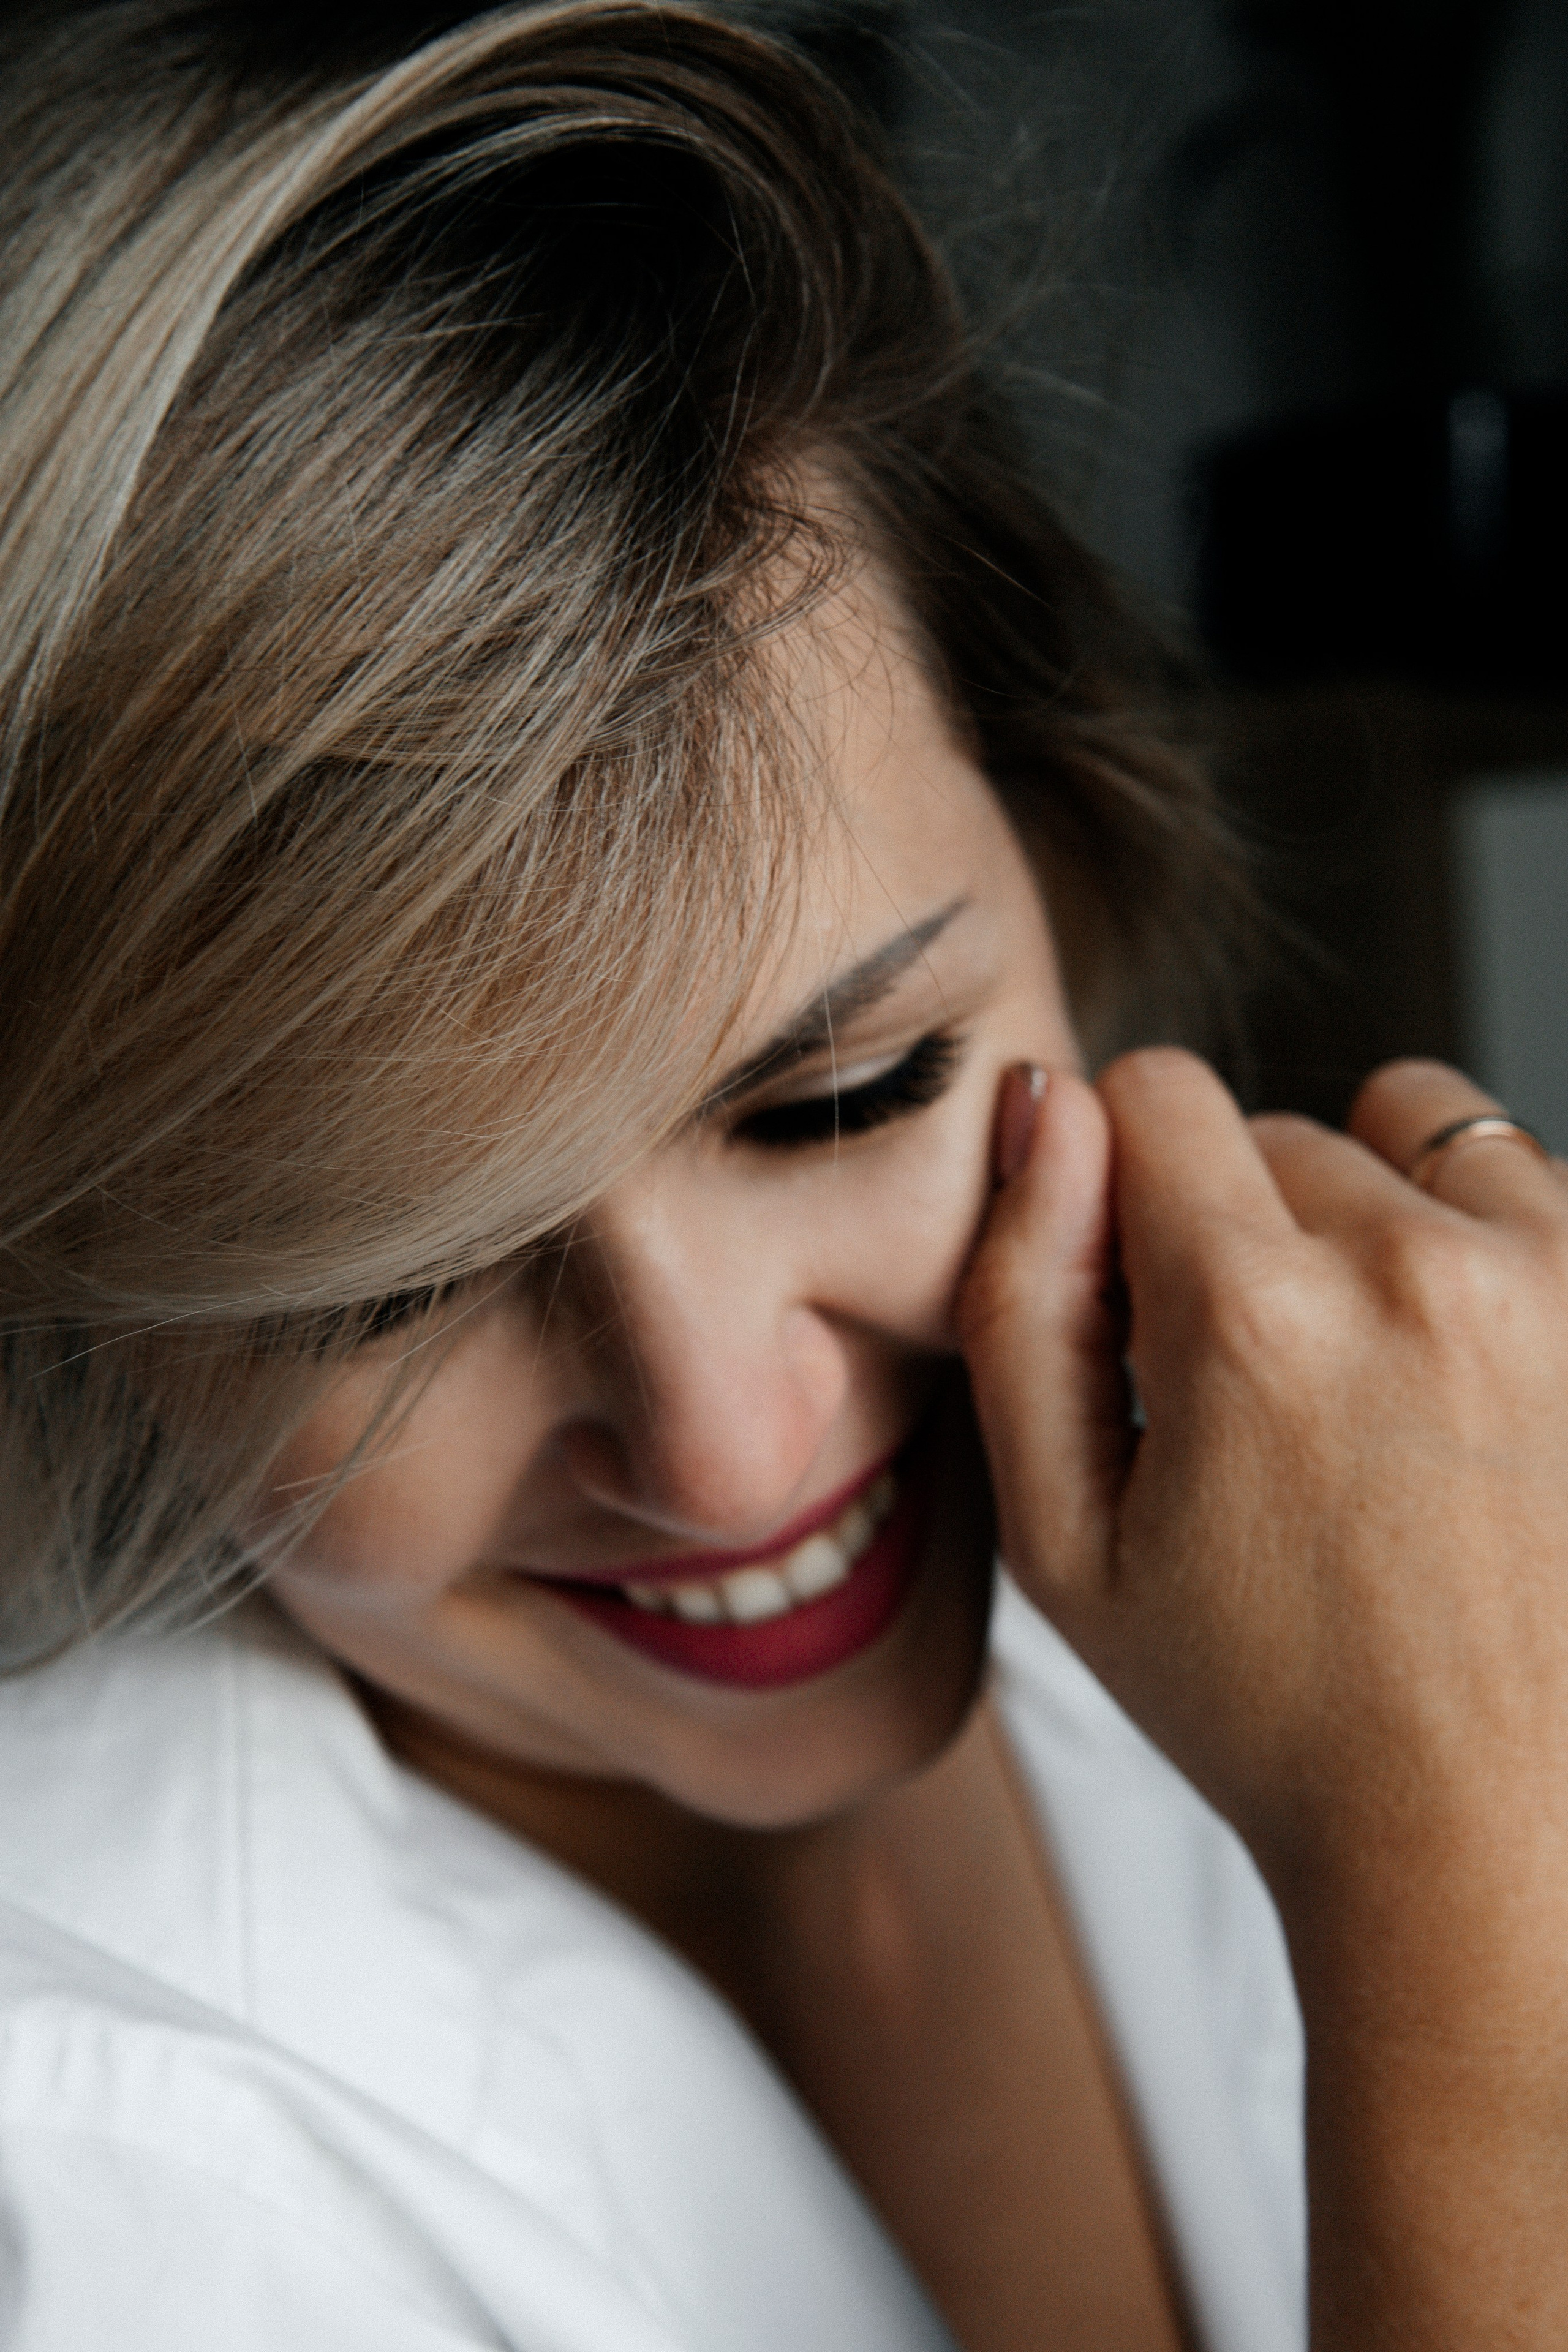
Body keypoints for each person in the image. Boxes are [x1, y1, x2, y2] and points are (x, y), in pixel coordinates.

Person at [1, 5, 1565, 2347]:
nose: (731, 1446)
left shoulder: (1378, 1563)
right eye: (383, 1280)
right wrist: (1468, 1891)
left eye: (842, 1097)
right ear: (98, 1272)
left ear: (1064, 839)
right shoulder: (91, 2185)